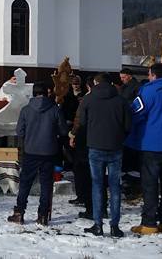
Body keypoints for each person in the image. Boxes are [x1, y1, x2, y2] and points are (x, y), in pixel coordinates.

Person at [127, 63, 162, 236]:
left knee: (150, 185)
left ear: (152, 75)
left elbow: (135, 113)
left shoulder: (148, 91)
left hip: (151, 144)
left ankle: (149, 223)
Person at [79, 73, 132, 237]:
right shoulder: (121, 100)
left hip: (95, 145)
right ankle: (115, 226)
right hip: (115, 146)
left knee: (97, 185)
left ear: (96, 83)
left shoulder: (88, 99)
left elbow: (82, 122)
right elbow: (128, 125)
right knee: (115, 186)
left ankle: (98, 224)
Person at [7, 82, 67, 226]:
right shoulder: (55, 109)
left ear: (33, 93)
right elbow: (63, 131)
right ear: (46, 93)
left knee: (25, 183)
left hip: (31, 151)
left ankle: (19, 212)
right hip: (49, 151)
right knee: (46, 184)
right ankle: (43, 215)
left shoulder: (26, 110)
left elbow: (20, 131)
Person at [67, 77, 93, 218]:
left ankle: (87, 199)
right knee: (80, 168)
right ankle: (82, 196)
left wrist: (73, 134)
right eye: (74, 83)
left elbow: (79, 119)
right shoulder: (69, 96)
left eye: (78, 83)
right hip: (85, 135)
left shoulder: (87, 99)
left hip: (83, 136)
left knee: (83, 169)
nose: (76, 86)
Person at [118, 68, 142, 178]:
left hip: (131, 117)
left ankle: (132, 168)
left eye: (123, 77)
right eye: (121, 78)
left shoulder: (136, 87)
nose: (122, 80)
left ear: (129, 76)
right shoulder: (123, 87)